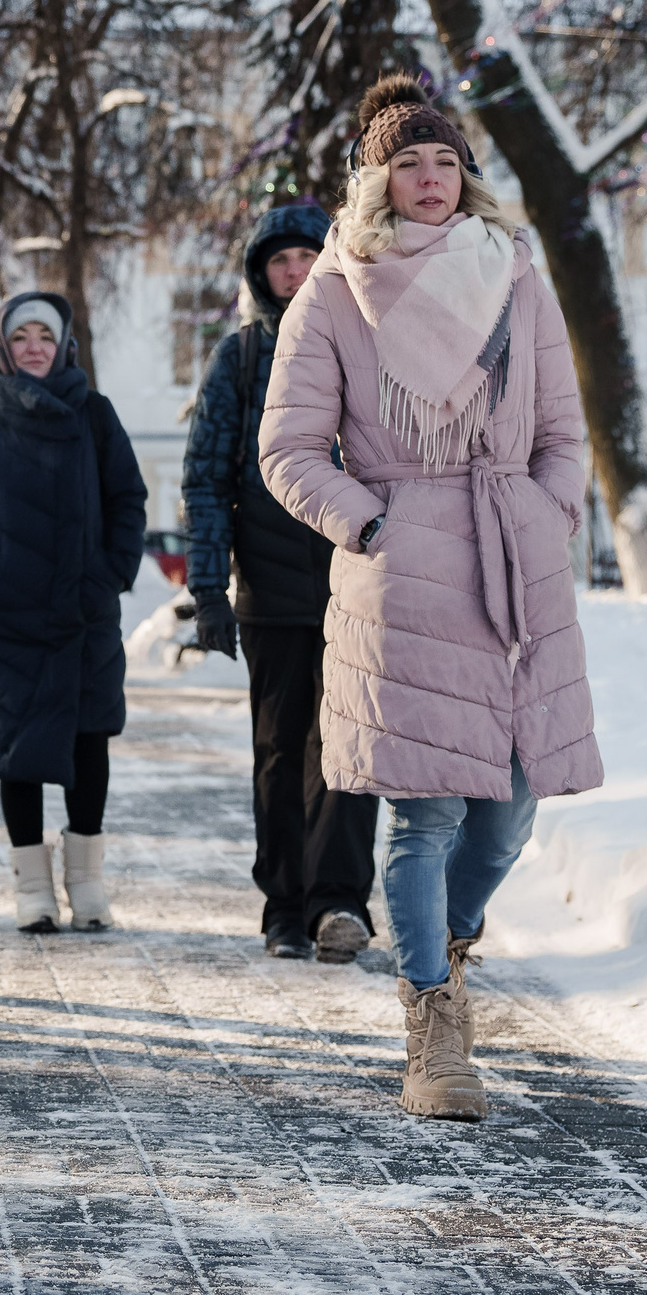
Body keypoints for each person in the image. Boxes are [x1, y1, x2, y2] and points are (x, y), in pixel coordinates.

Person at [259, 74, 599, 1123]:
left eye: (444, 160)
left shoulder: (516, 277)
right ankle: (433, 1024)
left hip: (511, 558)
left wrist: (548, 513)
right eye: (408, 162)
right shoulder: (335, 289)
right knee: (426, 810)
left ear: (464, 174)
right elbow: (285, 447)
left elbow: (562, 434)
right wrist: (372, 524)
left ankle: (438, 944)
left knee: (509, 811)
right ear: (376, 181)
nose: (429, 179)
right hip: (403, 570)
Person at [182, 204, 380, 964]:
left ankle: (338, 902)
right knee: (278, 748)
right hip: (268, 588)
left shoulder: (366, 346)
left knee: (350, 744)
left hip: (356, 582)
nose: (295, 273)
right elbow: (205, 480)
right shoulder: (238, 359)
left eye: (308, 257)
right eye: (280, 262)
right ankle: (284, 906)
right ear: (260, 275)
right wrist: (209, 590)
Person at [0, 295, 147, 933]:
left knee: (91, 743)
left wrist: (112, 572)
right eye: (21, 335)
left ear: (62, 346)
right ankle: (32, 889)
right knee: (18, 751)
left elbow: (128, 497)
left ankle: (86, 884)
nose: (34, 345)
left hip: (85, 612)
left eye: (45, 335)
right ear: (1, 344)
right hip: (7, 614)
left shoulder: (94, 413)